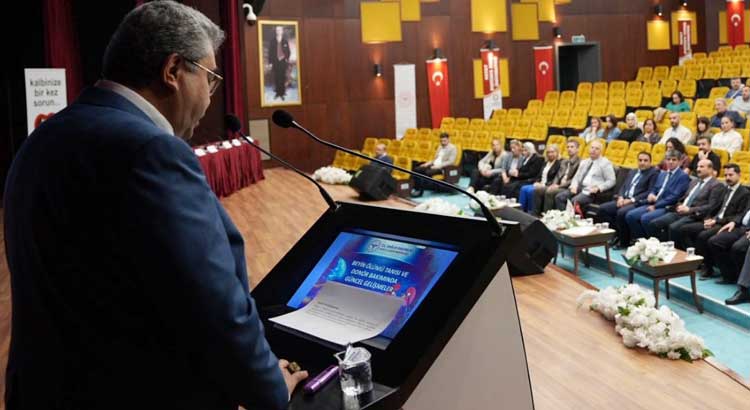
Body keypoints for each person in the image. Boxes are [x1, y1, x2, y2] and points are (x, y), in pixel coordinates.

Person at [2, 2, 306, 409]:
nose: (210, 97)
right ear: (173, 70)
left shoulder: (45, 138)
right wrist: (271, 389)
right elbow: (212, 304)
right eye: (210, 78)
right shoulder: (150, 151)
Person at [678, 164, 748, 277]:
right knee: (685, 229)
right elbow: (714, 207)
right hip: (714, 220)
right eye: (726, 175)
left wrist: (716, 221)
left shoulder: (744, 193)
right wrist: (708, 218)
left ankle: (708, 267)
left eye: (731, 175)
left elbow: (738, 215)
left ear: (739, 175)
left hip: (725, 223)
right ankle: (696, 262)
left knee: (703, 236)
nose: (728, 178)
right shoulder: (725, 189)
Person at [645, 159, 723, 241]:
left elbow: (711, 206)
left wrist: (689, 210)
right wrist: (679, 205)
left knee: (673, 228)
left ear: (710, 169)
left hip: (694, 215)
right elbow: (683, 198)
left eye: (701, 167)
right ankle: (661, 245)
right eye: (697, 167)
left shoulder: (716, 185)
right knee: (654, 224)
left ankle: (673, 247)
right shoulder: (694, 182)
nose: (698, 169)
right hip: (680, 211)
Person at [625, 150, 690, 242]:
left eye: (674, 160)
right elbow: (655, 188)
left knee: (645, 218)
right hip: (653, 203)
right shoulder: (662, 174)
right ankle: (642, 241)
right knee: (630, 215)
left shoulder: (682, 176)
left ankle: (654, 243)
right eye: (668, 159)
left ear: (679, 162)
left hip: (666, 206)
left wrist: (656, 206)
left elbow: (674, 196)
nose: (671, 162)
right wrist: (652, 193)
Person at [597, 152, 659, 249]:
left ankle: (624, 241)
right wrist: (621, 197)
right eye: (640, 160)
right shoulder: (633, 171)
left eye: (645, 160)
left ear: (650, 162)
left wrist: (631, 200)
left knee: (621, 212)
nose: (642, 163)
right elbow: (624, 186)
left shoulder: (653, 174)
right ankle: (615, 234)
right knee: (602, 209)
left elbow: (648, 192)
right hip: (624, 199)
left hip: (637, 202)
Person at [554, 140, 616, 211]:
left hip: (590, 191)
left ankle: (570, 217)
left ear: (601, 151)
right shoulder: (584, 162)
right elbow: (576, 177)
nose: (593, 150)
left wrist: (599, 188)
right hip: (578, 188)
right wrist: (574, 186)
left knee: (574, 201)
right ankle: (564, 216)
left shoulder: (605, 163)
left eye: (597, 148)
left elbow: (612, 181)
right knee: (559, 197)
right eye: (592, 147)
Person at [533, 139, 581, 215]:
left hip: (568, 187)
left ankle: (547, 215)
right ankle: (535, 214)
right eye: (568, 147)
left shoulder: (580, 162)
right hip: (559, 185)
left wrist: (558, 186)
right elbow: (558, 175)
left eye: (572, 147)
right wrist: (554, 184)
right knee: (538, 189)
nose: (569, 149)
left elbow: (574, 179)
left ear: (577, 149)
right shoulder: (564, 161)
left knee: (550, 191)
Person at [708, 201, 750, 285]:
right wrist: (734, 222)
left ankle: (742, 282)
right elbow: (744, 212)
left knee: (738, 248)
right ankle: (729, 276)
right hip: (740, 226)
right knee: (714, 241)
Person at [411, 132, 457, 197]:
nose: (443, 142)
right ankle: (417, 188)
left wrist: (438, 166)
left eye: (444, 141)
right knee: (417, 169)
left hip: (442, 168)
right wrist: (427, 164)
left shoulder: (453, 148)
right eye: (441, 141)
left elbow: (451, 161)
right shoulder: (440, 147)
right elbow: (435, 159)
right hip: (433, 165)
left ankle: (420, 192)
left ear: (448, 140)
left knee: (427, 172)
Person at [519, 144, 560, 212]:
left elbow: (555, 178)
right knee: (524, 188)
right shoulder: (545, 163)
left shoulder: (559, 164)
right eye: (548, 152)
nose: (550, 154)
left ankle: (531, 211)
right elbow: (539, 175)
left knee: (530, 191)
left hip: (547, 185)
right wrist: (537, 182)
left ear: (557, 152)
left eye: (552, 152)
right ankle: (521, 210)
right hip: (540, 183)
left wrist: (544, 185)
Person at [269, 25, 291, 101]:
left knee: (282, 77)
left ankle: (282, 92)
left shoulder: (285, 41)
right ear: (276, 31)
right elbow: (270, 52)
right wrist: (270, 62)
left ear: (282, 31)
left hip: (283, 61)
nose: (278, 31)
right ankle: (278, 93)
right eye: (277, 30)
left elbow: (288, 51)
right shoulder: (272, 41)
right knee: (277, 77)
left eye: (279, 30)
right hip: (275, 62)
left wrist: (287, 58)